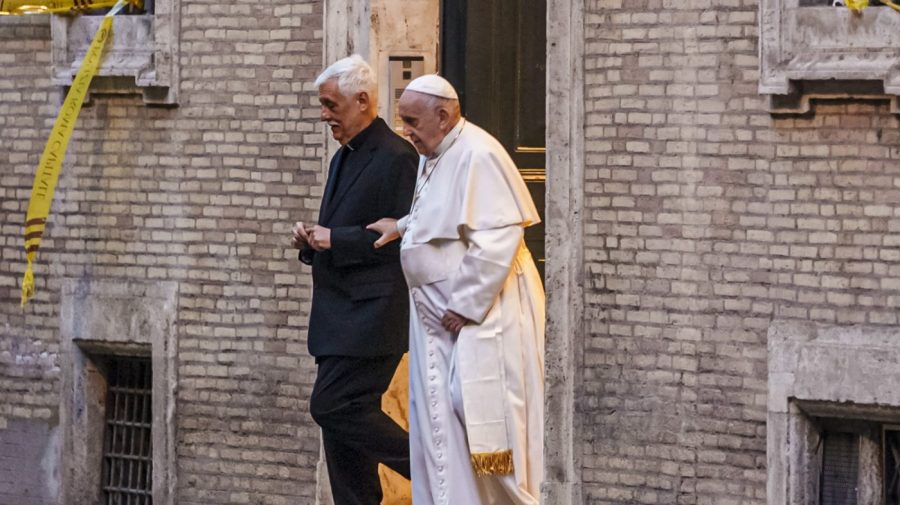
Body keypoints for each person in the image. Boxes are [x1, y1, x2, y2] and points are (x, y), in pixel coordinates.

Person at [367, 75, 545, 505]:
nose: (405, 130)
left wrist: (465, 303)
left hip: (484, 320)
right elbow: (441, 208)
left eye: (411, 120)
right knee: (439, 430)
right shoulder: (437, 151)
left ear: (443, 117)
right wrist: (403, 227)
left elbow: (498, 236)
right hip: (438, 327)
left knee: (476, 420)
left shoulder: (479, 153)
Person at [291, 54, 417, 505]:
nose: (324, 114)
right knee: (341, 435)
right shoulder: (343, 154)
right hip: (336, 316)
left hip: (372, 316)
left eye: (331, 105)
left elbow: (407, 238)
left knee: (332, 406)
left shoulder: (398, 157)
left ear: (362, 101)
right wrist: (312, 240)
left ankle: (430, 470)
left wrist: (335, 240)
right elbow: (343, 231)